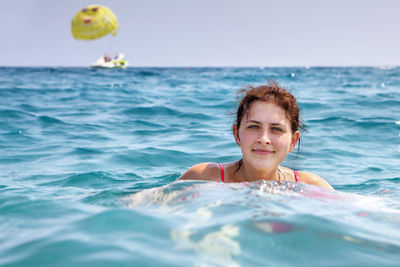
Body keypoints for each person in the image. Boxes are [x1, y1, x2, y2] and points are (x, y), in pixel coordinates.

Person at [178, 81, 334, 190]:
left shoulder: (309, 186)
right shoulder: (205, 177)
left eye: (276, 129)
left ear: (293, 141)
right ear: (236, 135)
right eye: (253, 126)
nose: (264, 139)